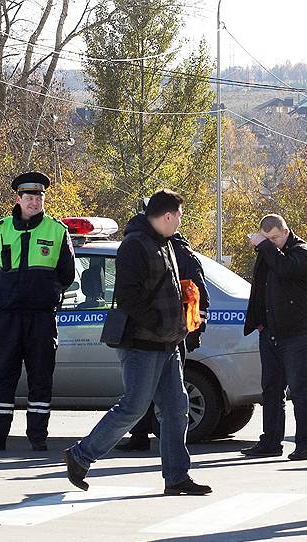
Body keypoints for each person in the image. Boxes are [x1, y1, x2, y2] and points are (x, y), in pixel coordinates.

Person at [62, 189, 211, 495]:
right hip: (142, 344)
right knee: (133, 408)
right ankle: (80, 456)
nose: (181, 221)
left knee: (176, 408)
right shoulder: (135, 245)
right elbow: (129, 297)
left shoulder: (164, 243)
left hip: (167, 343)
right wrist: (159, 324)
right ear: (168, 216)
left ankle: (177, 477)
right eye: (180, 215)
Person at [0, 172, 75, 452]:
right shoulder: (0, 230)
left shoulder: (57, 231)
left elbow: (66, 273)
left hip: (41, 317)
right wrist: (8, 293)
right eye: (29, 197)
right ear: (18, 199)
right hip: (8, 316)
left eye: (39, 197)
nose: (34, 202)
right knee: (1, 375)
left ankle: (38, 437)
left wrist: (45, 291)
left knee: (40, 377)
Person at [115, 231, 210, 452]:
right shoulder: (153, 247)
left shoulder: (178, 252)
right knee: (153, 397)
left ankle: (84, 453)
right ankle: (140, 436)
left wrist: (194, 330)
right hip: (162, 332)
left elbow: (199, 295)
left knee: (160, 400)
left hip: (172, 334)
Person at [241, 214, 307, 461]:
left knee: (300, 391)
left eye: (275, 238)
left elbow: (286, 269)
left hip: (298, 333)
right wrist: (260, 323)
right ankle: (271, 441)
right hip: (271, 332)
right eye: (267, 239)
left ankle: (306, 444)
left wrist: (264, 246)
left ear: (285, 232)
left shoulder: (302, 252)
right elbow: (260, 288)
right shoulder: (268, 254)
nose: (271, 243)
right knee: (271, 391)